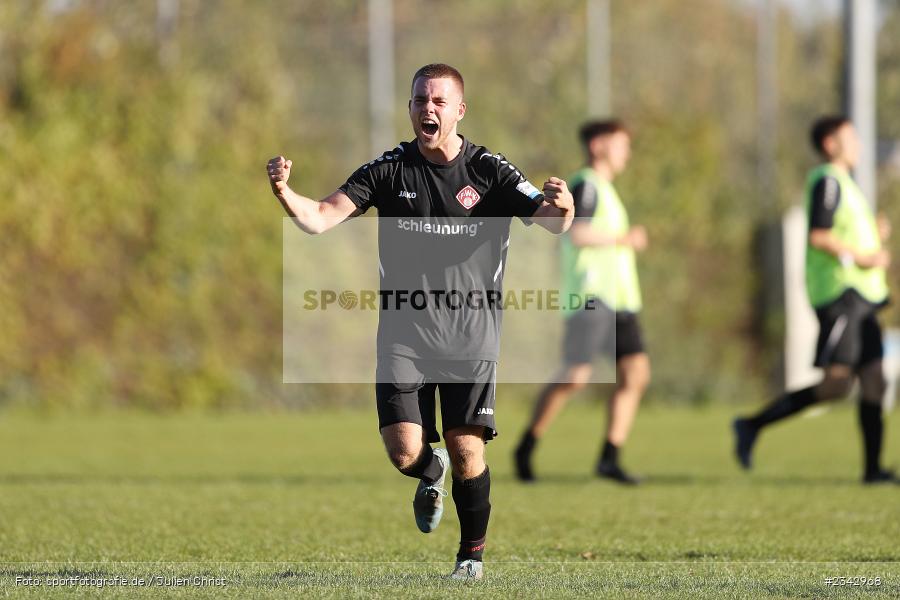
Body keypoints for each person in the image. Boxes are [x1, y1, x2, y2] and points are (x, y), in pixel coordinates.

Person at [267, 63, 574, 580]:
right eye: (418, 100)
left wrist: (563, 208)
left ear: (459, 110)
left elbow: (549, 221)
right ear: (409, 107)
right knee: (404, 452)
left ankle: (470, 558)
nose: (426, 109)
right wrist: (285, 193)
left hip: (470, 335)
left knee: (467, 447)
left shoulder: (490, 170)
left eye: (437, 101)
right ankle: (432, 472)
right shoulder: (389, 170)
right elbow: (320, 217)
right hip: (403, 336)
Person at [733, 115, 896, 484]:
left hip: (863, 297)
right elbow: (819, 235)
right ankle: (752, 424)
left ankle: (873, 471)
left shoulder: (846, 184)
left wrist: (874, 234)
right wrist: (863, 255)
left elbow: (844, 233)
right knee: (836, 384)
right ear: (830, 144)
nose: (858, 144)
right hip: (842, 294)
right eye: (850, 137)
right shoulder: (827, 180)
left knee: (875, 380)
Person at [513, 119, 650, 485]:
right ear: (598, 145)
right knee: (575, 376)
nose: (627, 152)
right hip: (592, 297)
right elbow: (577, 233)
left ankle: (609, 457)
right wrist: (625, 239)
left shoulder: (607, 189)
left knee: (636, 374)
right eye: (620, 144)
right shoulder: (586, 184)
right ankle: (526, 445)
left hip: (621, 301)